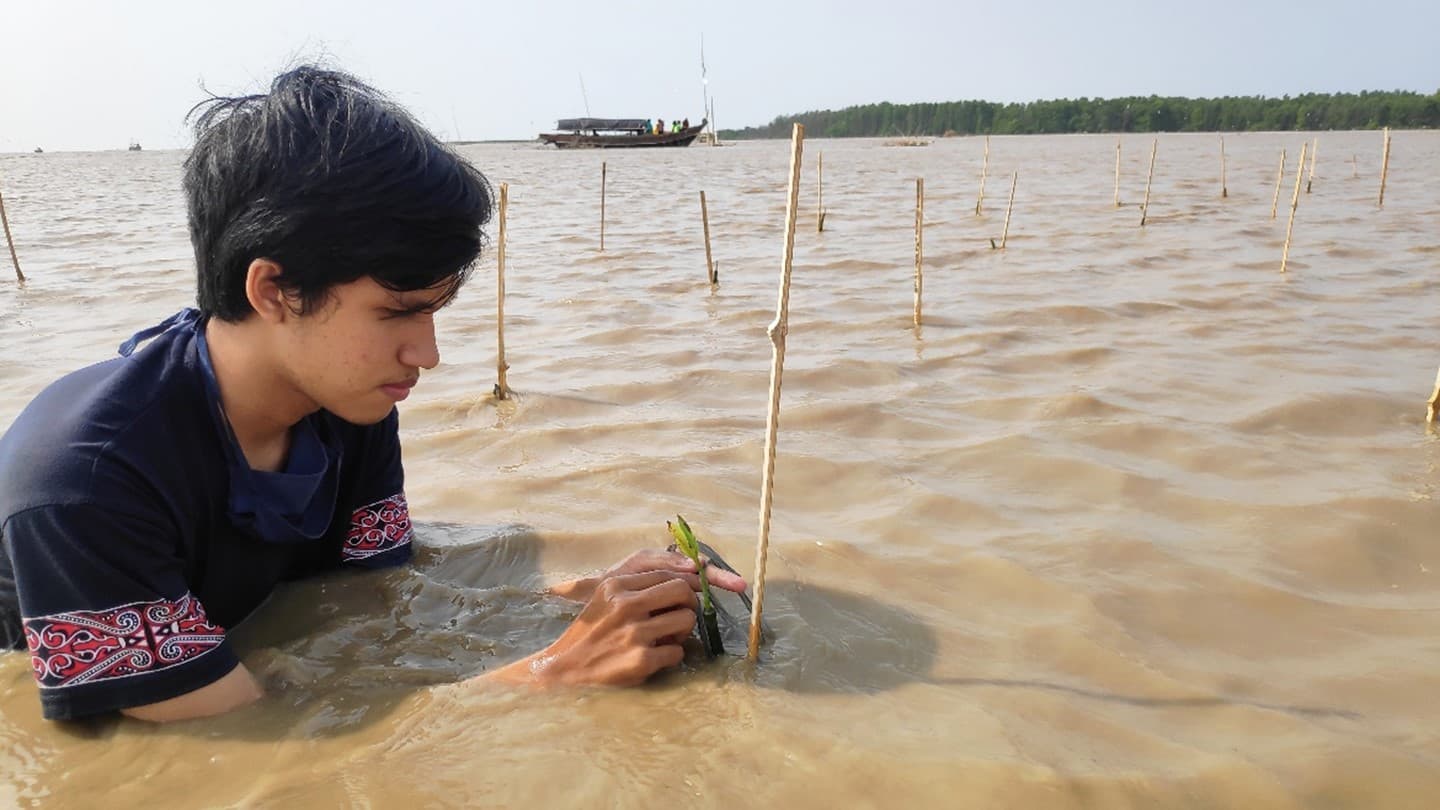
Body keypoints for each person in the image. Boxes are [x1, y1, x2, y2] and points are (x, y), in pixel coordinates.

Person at [0, 66, 744, 723]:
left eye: (433, 312)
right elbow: (234, 738)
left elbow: (369, 601)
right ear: (276, 290)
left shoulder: (350, 403)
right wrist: (556, 672)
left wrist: (589, 598)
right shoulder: (82, 481)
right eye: (396, 313)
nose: (427, 354)